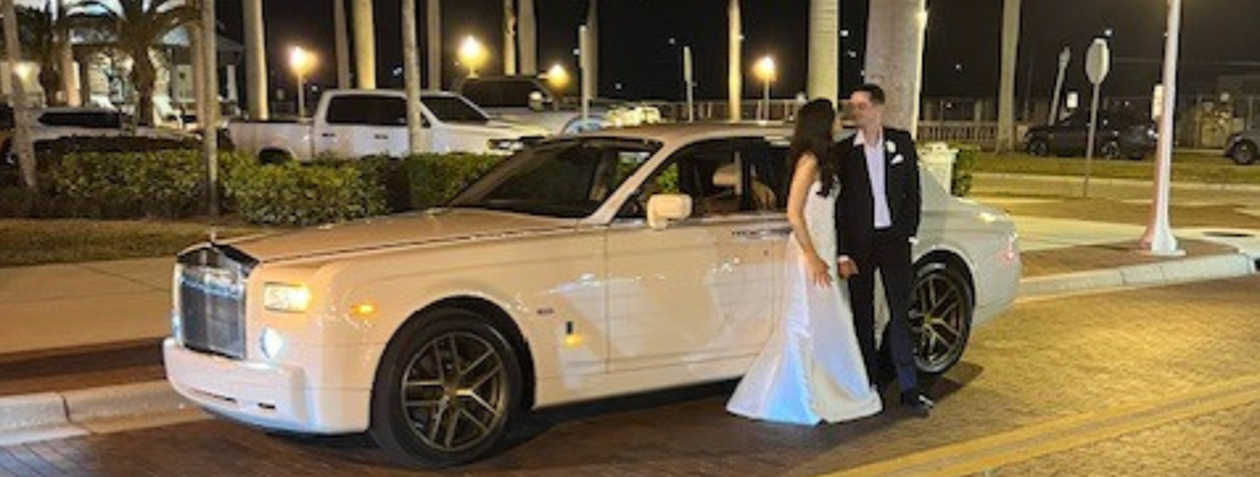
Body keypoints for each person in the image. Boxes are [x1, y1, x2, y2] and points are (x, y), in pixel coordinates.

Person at [726, 99, 881, 425]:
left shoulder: (825, 160)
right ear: (821, 123)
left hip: (824, 247)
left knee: (827, 317)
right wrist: (812, 256)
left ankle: (825, 386)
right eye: (835, 117)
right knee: (807, 319)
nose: (840, 121)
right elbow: (794, 213)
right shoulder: (809, 161)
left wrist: (833, 254)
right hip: (808, 252)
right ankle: (801, 393)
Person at [834, 84, 934, 417]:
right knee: (862, 315)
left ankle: (909, 389)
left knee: (899, 314)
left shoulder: (901, 142)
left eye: (861, 106)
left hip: (894, 242)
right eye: (853, 106)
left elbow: (913, 194)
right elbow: (841, 207)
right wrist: (844, 252)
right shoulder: (845, 151)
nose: (855, 112)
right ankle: (869, 387)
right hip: (860, 246)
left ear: (878, 109)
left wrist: (908, 234)